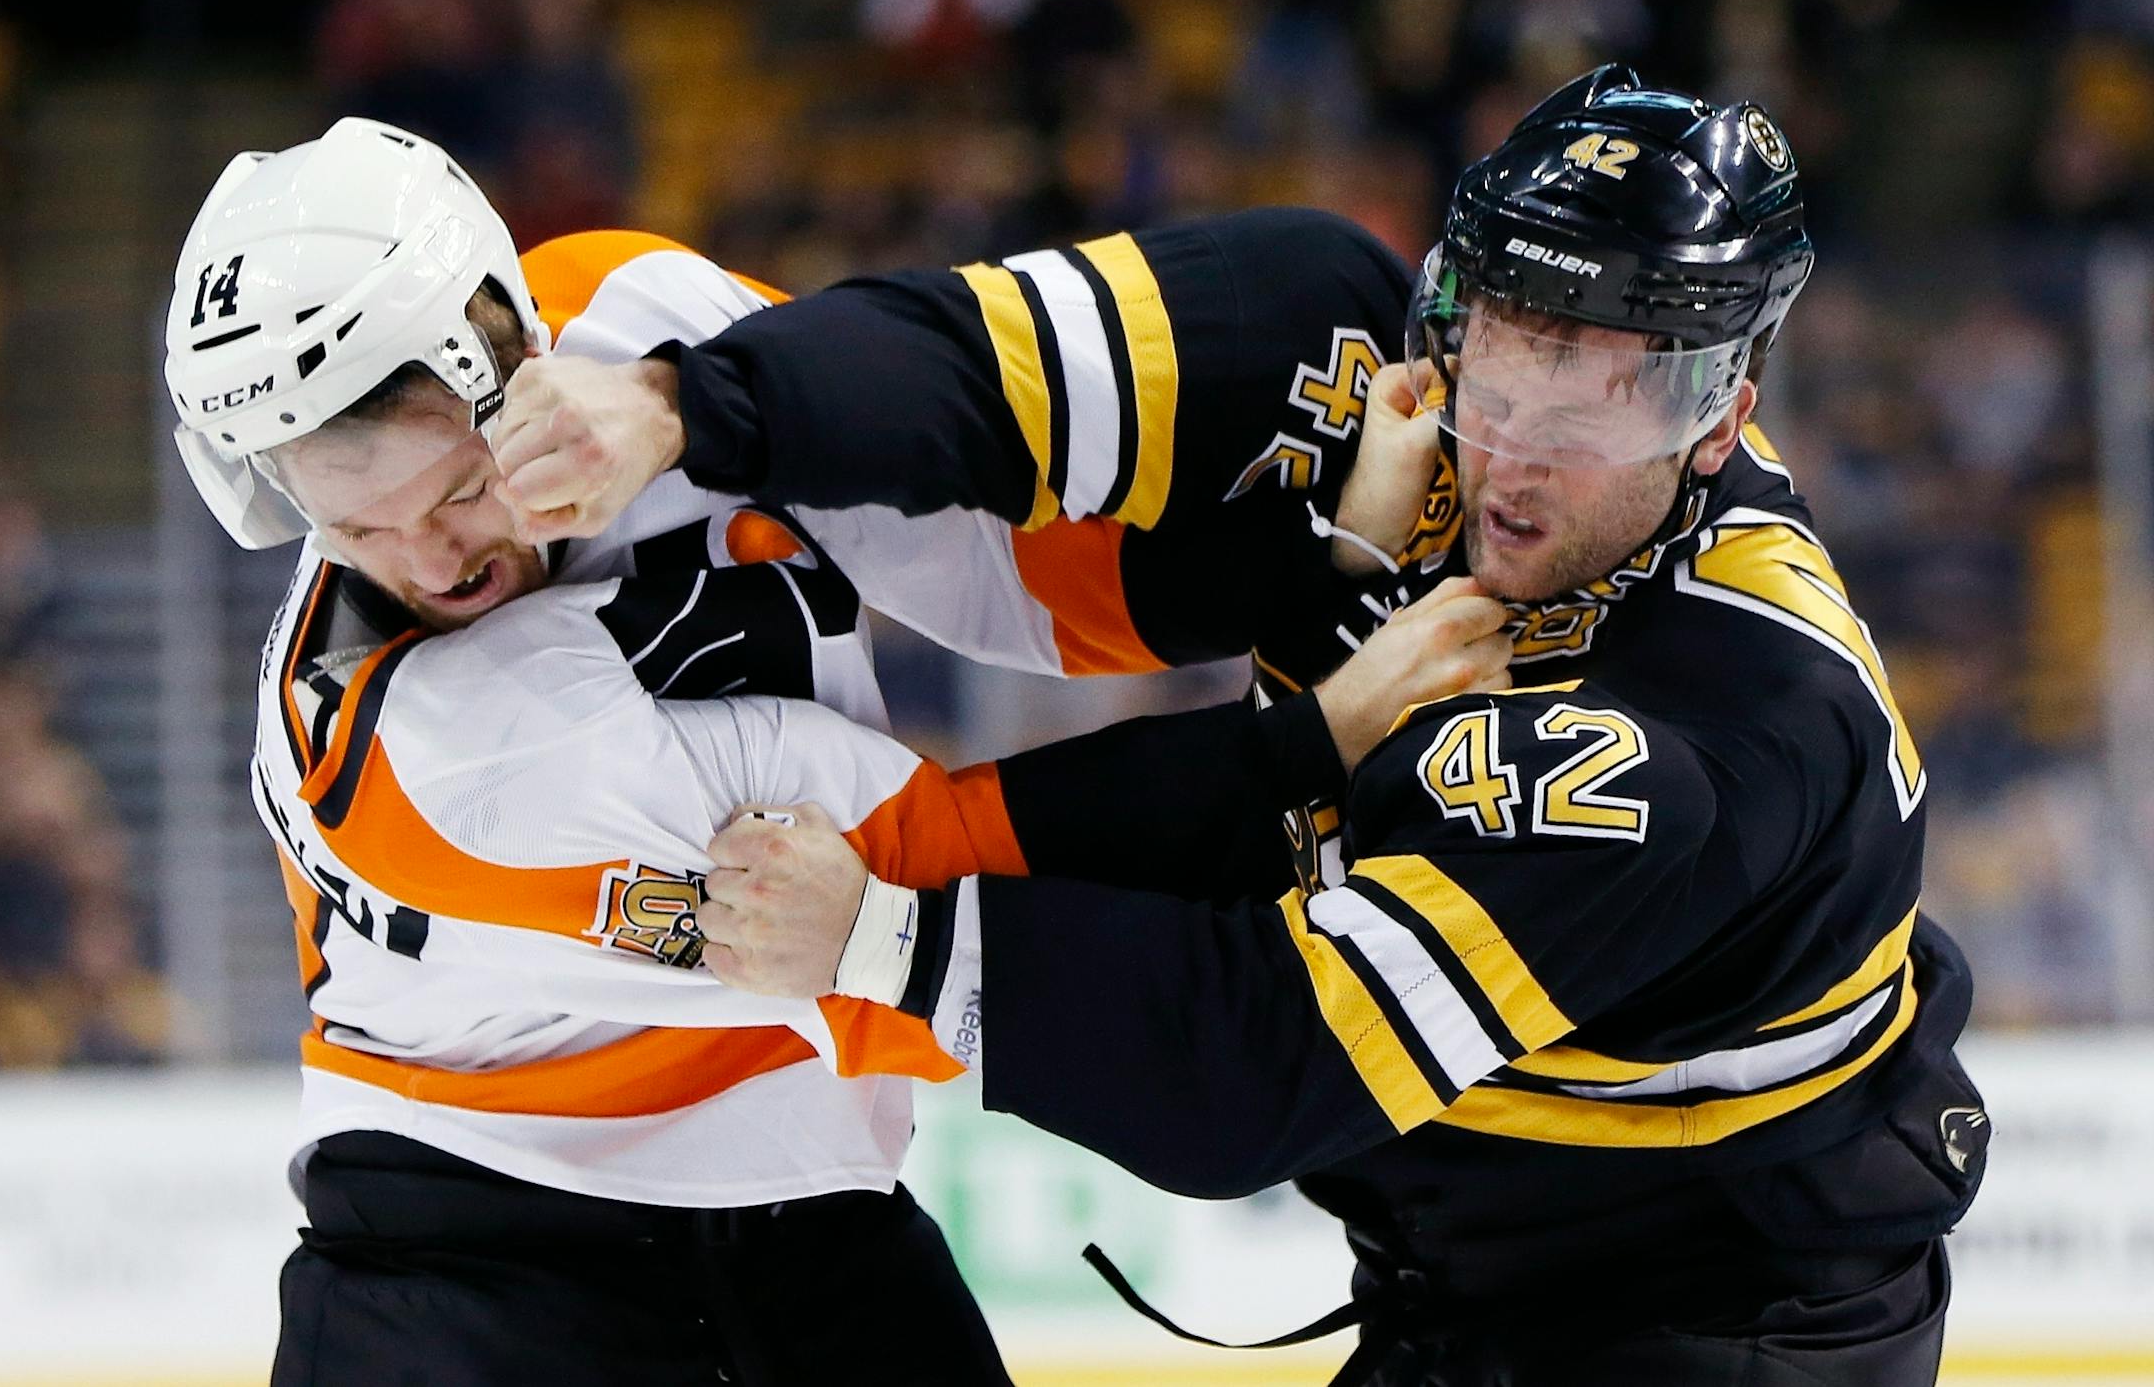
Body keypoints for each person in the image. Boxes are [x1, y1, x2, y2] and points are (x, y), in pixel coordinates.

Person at [689, 67, 1989, 1386]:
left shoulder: (1713, 736)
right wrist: (1351, 574)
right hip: (1485, 1293)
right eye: (1502, 362)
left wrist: (890, 937)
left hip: (1713, 1333)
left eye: (1606, 398)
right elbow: (1290, 803)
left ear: (1721, 418)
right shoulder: (1457, 478)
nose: (1520, 456)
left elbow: (1256, 1062)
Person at [162, 118, 1508, 1385]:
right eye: (357, 533)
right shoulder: (448, 747)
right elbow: (931, 862)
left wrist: (1303, 554)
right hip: (477, 1277)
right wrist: (1320, 722)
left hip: (810, 1217)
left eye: (457, 491)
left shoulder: (628, 309)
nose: (430, 563)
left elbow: (981, 549)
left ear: (511, 341)